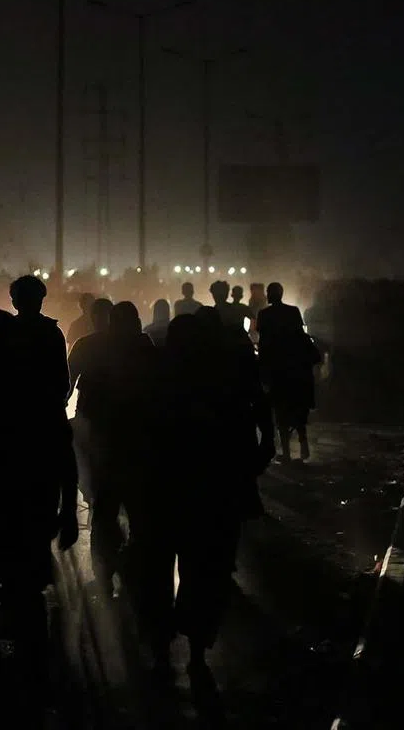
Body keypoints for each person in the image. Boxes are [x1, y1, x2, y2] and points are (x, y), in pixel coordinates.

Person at [0, 309, 78, 716]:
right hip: (26, 518)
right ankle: (32, 690)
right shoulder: (37, 394)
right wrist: (69, 510)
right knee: (26, 605)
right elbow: (63, 455)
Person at [154, 308, 274, 679]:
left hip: (178, 483)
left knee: (173, 558)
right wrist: (263, 447)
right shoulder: (230, 367)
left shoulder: (165, 372)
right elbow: (258, 405)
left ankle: (169, 632)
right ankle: (195, 641)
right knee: (212, 563)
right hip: (220, 480)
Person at [92, 301, 156, 599]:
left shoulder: (98, 348)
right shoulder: (145, 347)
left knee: (104, 514)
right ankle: (137, 572)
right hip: (139, 445)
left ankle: (104, 575)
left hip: (106, 444)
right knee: (140, 513)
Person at [257, 282, 320, 462]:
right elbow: (300, 335)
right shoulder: (293, 312)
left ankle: (285, 452)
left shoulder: (264, 315)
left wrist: (262, 369)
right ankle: (303, 446)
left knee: (281, 410)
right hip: (295, 366)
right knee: (298, 408)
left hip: (277, 368)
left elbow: (264, 344)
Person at [67, 298, 113, 505]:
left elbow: (69, 378)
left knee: (86, 456)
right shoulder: (125, 343)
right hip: (115, 411)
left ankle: (90, 493)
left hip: (89, 408)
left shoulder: (84, 344)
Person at [10, 275, 71, 410]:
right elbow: (62, 379)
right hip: (47, 410)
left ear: (14, 303)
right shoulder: (52, 332)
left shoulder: (3, 333)